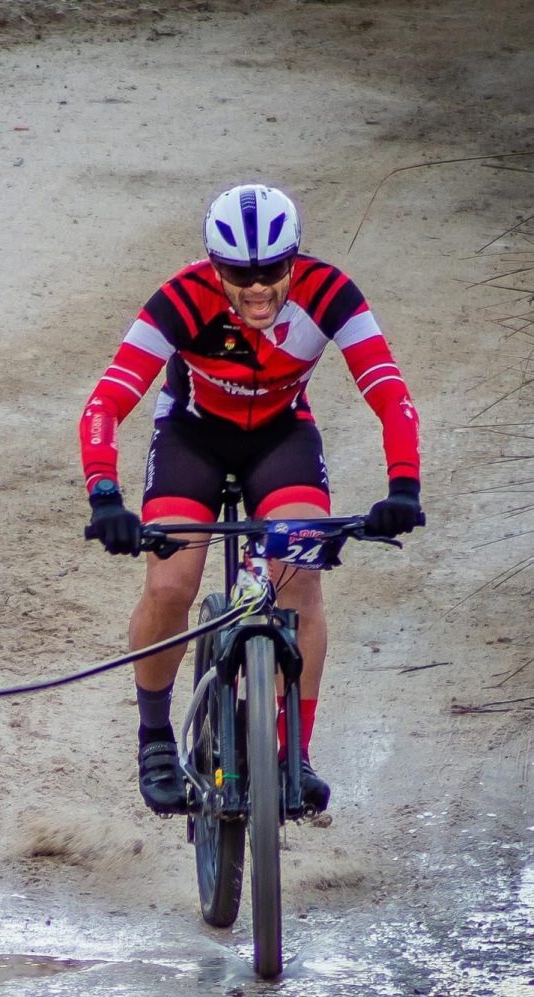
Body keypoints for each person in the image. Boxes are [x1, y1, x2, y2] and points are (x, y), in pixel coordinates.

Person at [79, 183, 424, 816]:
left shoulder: (330, 293)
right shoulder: (183, 299)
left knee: (300, 583)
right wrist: (105, 496)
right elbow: (107, 401)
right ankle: (155, 738)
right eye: (241, 273)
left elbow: (388, 388)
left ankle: (294, 752)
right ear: (216, 265)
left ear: (294, 259)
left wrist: (403, 486)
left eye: (273, 270)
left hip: (281, 436)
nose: (259, 287)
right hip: (192, 437)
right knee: (169, 586)